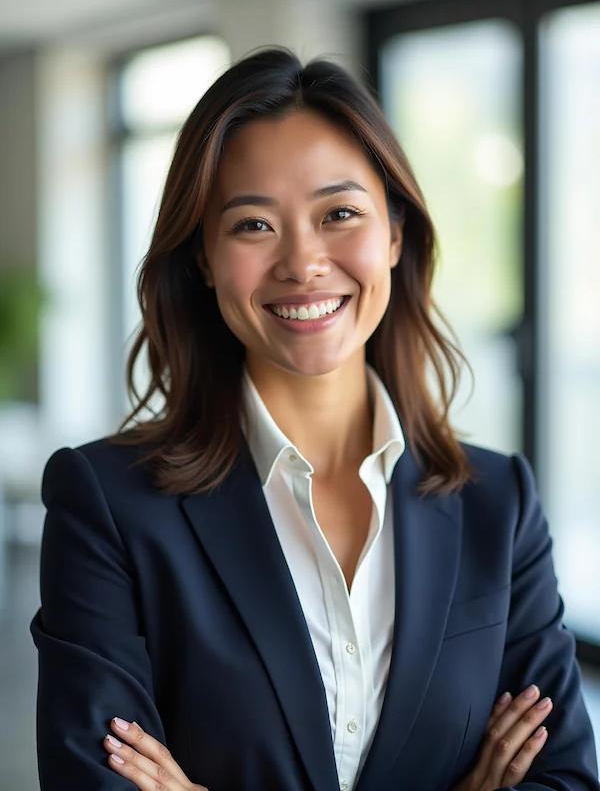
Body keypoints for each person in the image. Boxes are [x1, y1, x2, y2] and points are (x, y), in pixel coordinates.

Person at [29, 45, 599, 791]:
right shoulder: (107, 503)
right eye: (253, 226)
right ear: (202, 257)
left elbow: (561, 779)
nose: (302, 263)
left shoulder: (498, 500)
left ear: (394, 234)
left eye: (339, 214)